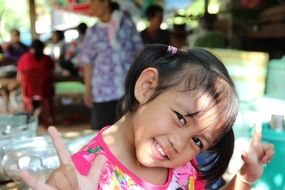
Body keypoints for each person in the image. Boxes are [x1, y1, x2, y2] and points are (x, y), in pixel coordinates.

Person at [20, 44, 274, 190]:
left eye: (198, 141)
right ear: (147, 86)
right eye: (181, 118)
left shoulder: (183, 169)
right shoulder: (83, 177)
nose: (179, 143)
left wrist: (245, 177)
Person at [80, 0, 143, 130]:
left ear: (105, 3)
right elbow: (88, 63)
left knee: (128, 132)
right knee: (101, 133)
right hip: (102, 91)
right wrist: (87, 89)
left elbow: (139, 53)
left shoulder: (126, 24)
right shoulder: (93, 32)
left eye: (94, 3)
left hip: (127, 89)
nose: (91, 8)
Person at [17, 39, 55, 128]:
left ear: (31, 48)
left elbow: (19, 78)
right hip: (44, 91)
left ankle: (31, 117)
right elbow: (52, 76)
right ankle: (43, 117)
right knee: (43, 99)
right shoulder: (48, 59)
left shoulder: (24, 58)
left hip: (29, 92)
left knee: (33, 99)